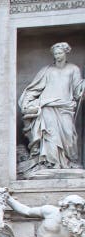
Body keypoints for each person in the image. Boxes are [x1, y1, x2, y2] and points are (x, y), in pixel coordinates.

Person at [19, 42, 85, 172]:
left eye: (60, 53)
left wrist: (83, 88)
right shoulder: (47, 70)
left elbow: (78, 90)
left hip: (65, 106)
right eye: (55, 54)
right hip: (47, 106)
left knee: (69, 135)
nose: (58, 56)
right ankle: (50, 163)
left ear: (66, 53)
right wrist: (27, 102)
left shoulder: (73, 69)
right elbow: (34, 88)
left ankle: (69, 161)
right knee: (50, 135)